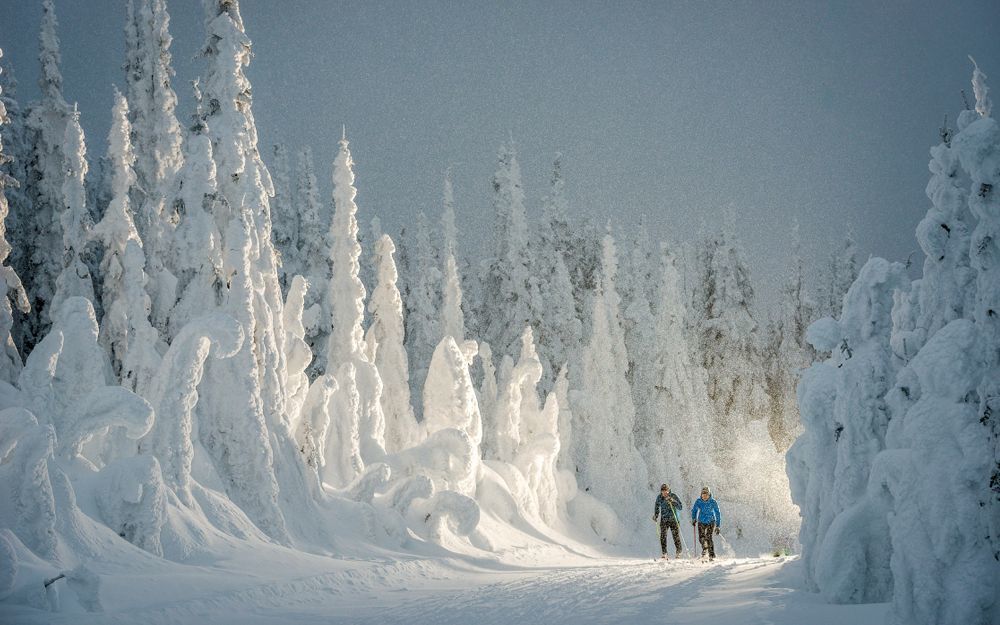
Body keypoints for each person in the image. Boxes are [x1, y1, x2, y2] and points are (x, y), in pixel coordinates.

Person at [691, 486, 721, 561]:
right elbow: (694, 510)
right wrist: (694, 519)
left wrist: (718, 525)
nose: (704, 496)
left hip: (711, 521)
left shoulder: (713, 502)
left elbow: (717, 513)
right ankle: (705, 549)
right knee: (701, 538)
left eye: (706, 494)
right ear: (701, 494)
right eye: (703, 494)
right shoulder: (699, 501)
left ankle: (711, 554)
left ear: (709, 494)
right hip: (701, 521)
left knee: (708, 537)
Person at [652, 484, 683, 559]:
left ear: (669, 490)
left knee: (675, 536)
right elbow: (657, 506)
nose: (665, 493)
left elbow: (680, 507)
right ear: (661, 492)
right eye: (663, 491)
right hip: (664, 519)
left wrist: (673, 501)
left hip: (674, 519)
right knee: (663, 536)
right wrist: (656, 515)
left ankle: (679, 551)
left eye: (666, 491)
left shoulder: (673, 496)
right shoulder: (659, 497)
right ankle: (664, 553)